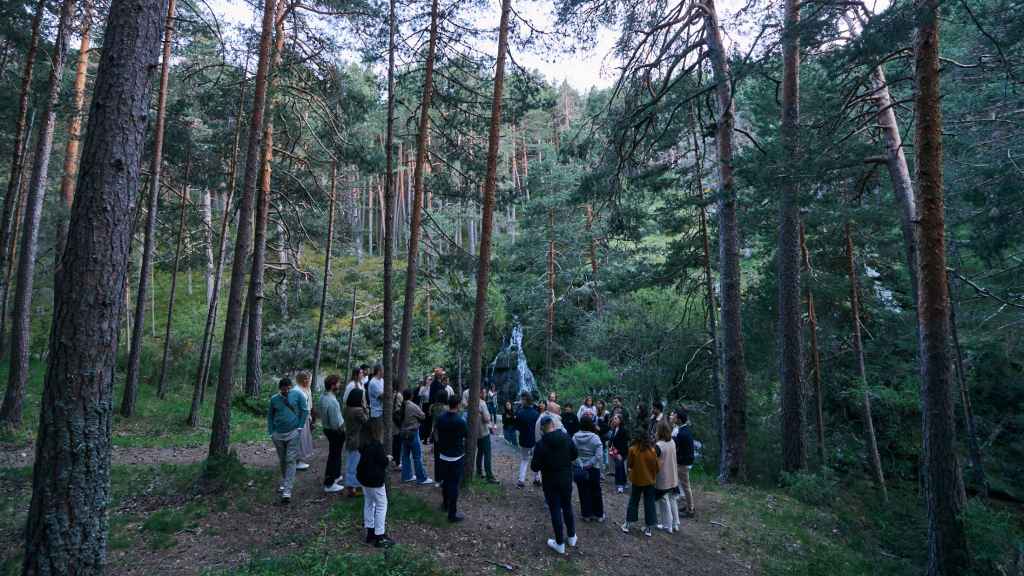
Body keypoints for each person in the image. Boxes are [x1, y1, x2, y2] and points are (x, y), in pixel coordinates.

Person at [531, 415, 579, 555]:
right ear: (553, 425)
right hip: (566, 478)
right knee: (567, 506)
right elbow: (575, 454)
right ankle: (571, 537)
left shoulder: (541, 444)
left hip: (550, 481)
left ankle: (559, 543)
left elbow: (534, 467)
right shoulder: (565, 437)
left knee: (555, 510)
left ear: (542, 429)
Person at [267, 377, 308, 503]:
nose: (287, 391)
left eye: (289, 388)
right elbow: (270, 416)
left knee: (290, 460)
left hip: (293, 432)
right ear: (280, 388)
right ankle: (286, 482)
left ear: (291, 387)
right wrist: (271, 432)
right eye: (285, 389)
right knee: (283, 460)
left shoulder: (298, 394)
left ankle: (287, 491)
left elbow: (304, 410)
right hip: (278, 434)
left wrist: (300, 427)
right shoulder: (274, 399)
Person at [356, 428, 395, 548]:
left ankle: (370, 533)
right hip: (375, 481)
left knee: (369, 503)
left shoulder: (363, 445)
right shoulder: (377, 445)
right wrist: (388, 458)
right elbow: (382, 461)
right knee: (381, 505)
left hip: (363, 478)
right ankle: (379, 536)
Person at [434, 394, 468, 522]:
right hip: (456, 457)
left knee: (445, 481)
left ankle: (445, 504)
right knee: (454, 484)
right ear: (458, 405)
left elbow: (436, 432)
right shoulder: (460, 421)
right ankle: (452, 514)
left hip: (443, 455)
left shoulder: (441, 418)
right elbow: (466, 435)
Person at [622, 430, 660, 536]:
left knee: (633, 501)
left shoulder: (632, 450)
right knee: (649, 503)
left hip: (637, 480)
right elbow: (657, 467)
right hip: (650, 482)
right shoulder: (652, 450)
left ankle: (628, 524)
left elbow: (630, 464)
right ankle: (649, 528)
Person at [572, 415, 605, 522]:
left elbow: (573, 453)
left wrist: (581, 463)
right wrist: (590, 463)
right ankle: (599, 514)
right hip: (594, 468)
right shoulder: (595, 438)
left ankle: (586, 515)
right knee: (596, 490)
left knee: (583, 491)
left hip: (580, 468)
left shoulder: (575, 437)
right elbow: (599, 454)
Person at [398, 388, 433, 485]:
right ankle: (421, 478)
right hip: (413, 433)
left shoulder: (402, 405)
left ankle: (407, 476)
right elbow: (423, 416)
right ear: (411, 396)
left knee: (405, 455)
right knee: (417, 456)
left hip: (403, 433)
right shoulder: (412, 406)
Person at [343, 368, 368, 497]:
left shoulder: (348, 409)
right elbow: (366, 421)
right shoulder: (358, 411)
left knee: (350, 462)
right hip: (356, 439)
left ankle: (352, 485)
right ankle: (352, 488)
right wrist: (365, 409)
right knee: (354, 463)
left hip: (350, 437)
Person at [319, 374, 346, 493]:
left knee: (335, 454)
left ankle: (336, 475)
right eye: (338, 383)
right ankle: (329, 484)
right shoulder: (332, 401)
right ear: (332, 385)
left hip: (327, 429)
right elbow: (336, 424)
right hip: (335, 431)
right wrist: (343, 430)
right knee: (334, 456)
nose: (339, 385)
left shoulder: (323, 397)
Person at [654, 420, 679, 533]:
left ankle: (668, 525)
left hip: (663, 477)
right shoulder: (672, 442)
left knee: (664, 500)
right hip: (673, 476)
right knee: (672, 499)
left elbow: (655, 462)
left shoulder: (659, 446)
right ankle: (675, 523)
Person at [470, 387, 499, 483]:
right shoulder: (482, 403)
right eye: (485, 392)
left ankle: (478, 472)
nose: (486, 394)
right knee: (487, 453)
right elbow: (486, 419)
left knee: (480, 452)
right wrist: (490, 422)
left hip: (475, 433)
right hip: (483, 432)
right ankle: (489, 476)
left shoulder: (472, 401)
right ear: (481, 393)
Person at [671, 408, 696, 518]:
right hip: (686, 462)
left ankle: (690, 509)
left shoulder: (681, 433)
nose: (673, 418)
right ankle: (688, 506)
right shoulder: (684, 430)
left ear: (679, 419)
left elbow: (675, 447)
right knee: (685, 485)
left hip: (683, 463)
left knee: (686, 486)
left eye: (675, 416)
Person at [515, 392, 542, 487]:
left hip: (524, 439)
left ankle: (521, 480)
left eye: (522, 399)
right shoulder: (536, 414)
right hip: (535, 440)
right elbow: (539, 428)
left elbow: (517, 428)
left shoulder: (520, 413)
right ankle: (537, 479)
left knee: (524, 459)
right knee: (536, 460)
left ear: (526, 400)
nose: (521, 401)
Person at [294, 372, 316, 470]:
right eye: (310, 380)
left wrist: (310, 415)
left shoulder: (306, 389)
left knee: (303, 439)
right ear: (304, 380)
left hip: (305, 418)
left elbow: (309, 404)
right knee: (298, 439)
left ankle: (298, 460)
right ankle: (295, 461)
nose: (310, 382)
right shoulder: (296, 391)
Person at [608, 414, 629, 493]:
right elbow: (612, 439)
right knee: (620, 467)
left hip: (621, 452)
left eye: (616, 418)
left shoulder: (623, 430)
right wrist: (610, 446)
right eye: (614, 418)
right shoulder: (615, 429)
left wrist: (620, 453)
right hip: (615, 451)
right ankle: (624, 482)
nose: (614, 420)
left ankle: (620, 485)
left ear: (620, 420)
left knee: (619, 467)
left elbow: (624, 443)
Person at [366, 364, 385, 442]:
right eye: (383, 370)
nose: (384, 372)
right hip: (376, 413)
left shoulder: (382, 380)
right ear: (379, 371)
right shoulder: (373, 382)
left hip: (381, 411)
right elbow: (382, 396)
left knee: (381, 435)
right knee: (377, 437)